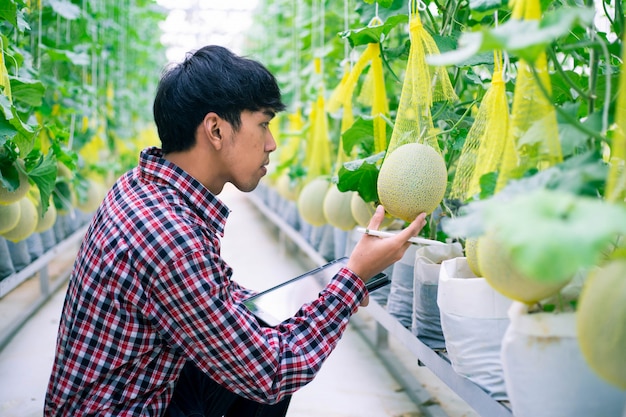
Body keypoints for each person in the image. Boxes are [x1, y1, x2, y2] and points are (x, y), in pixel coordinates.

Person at [44, 45, 426, 417]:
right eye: (263, 124)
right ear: (215, 129)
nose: (271, 144)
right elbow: (270, 373)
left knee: (264, 326)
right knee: (269, 367)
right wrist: (352, 281)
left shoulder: (141, 185)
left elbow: (213, 301)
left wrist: (316, 293)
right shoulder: (171, 238)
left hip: (123, 393)